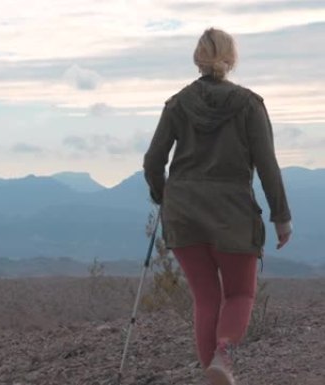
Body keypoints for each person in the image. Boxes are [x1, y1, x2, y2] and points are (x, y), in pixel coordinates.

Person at [143, 28, 293, 385]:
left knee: (206, 298)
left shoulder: (177, 104)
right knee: (240, 293)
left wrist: (162, 195)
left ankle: (213, 372)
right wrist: (281, 217)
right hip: (232, 212)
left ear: (198, 57)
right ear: (231, 57)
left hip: (183, 211)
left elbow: (153, 160)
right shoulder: (248, 104)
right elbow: (267, 165)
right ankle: (223, 359)